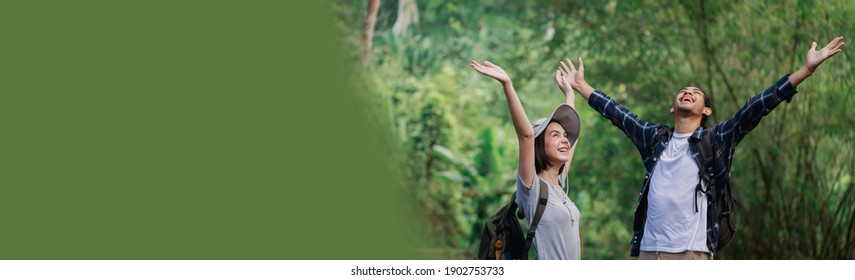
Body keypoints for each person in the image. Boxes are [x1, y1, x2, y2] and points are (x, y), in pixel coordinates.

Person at [555, 36, 845, 260]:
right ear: (672, 107)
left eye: (696, 93)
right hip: (647, 252)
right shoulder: (655, 139)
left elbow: (756, 107)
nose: (688, 92)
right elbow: (620, 114)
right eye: (683, 91)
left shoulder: (715, 141)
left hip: (691, 254)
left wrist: (806, 70)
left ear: (705, 110)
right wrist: (581, 87)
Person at [470, 60, 583, 259]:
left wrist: (570, 95)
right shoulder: (533, 188)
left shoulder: (559, 182)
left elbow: (572, 138)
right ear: (539, 144)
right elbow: (526, 136)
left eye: (565, 136)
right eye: (555, 135)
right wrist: (507, 85)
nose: (565, 140)